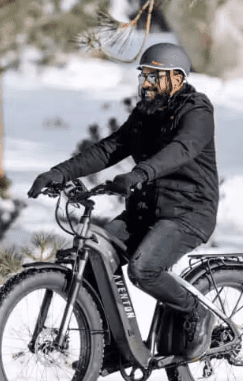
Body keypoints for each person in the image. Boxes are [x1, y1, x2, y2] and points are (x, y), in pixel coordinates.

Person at [28, 43, 219, 362]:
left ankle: (195, 311)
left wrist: (140, 173)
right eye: (143, 75)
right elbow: (109, 149)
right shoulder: (145, 113)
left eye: (154, 77)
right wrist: (58, 173)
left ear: (176, 79)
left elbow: (181, 150)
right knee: (95, 260)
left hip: (188, 213)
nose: (145, 83)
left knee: (144, 269)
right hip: (145, 212)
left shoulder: (197, 111)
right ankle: (115, 347)